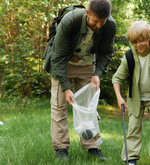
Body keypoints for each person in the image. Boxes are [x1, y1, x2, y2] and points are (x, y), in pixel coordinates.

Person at [43, 0, 116, 161]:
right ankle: (61, 149)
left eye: (102, 22)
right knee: (59, 106)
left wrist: (97, 73)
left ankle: (93, 147)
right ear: (88, 13)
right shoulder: (70, 20)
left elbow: (106, 52)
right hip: (62, 63)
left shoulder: (109, 25)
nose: (98, 25)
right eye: (95, 21)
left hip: (87, 63)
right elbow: (58, 56)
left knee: (89, 105)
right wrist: (66, 88)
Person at [112, 21, 150, 165]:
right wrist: (119, 97)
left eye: (141, 41)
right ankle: (131, 158)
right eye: (134, 42)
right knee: (133, 128)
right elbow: (117, 78)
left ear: (149, 38)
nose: (138, 45)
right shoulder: (129, 57)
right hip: (136, 98)